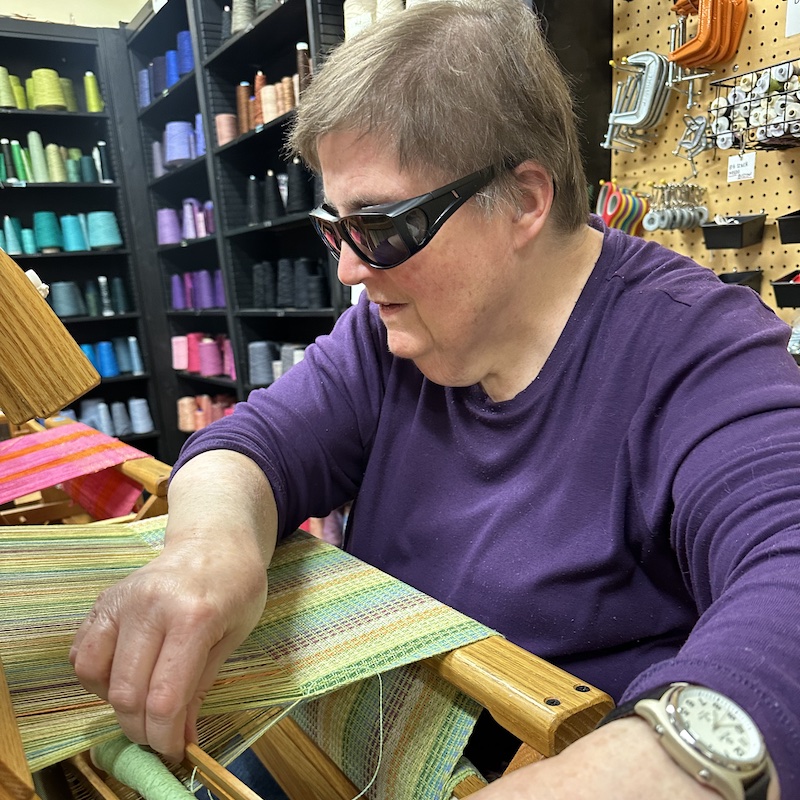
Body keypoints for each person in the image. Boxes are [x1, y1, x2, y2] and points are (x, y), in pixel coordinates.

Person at [70, 1, 799, 797]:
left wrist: (657, 763)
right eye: (333, 227)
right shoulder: (396, 338)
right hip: (350, 752)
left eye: (380, 227)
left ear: (524, 200)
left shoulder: (700, 354)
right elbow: (255, 443)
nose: (349, 269)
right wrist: (208, 547)